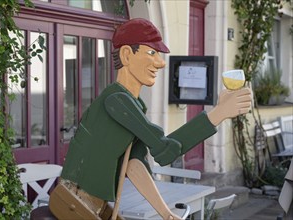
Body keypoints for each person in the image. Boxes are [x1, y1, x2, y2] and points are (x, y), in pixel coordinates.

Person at [49, 18, 252, 219]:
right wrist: (219, 114)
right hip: (74, 203)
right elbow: (165, 151)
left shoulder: (130, 103)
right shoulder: (117, 101)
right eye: (152, 53)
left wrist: (165, 213)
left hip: (92, 205)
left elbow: (134, 165)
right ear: (127, 55)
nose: (161, 63)